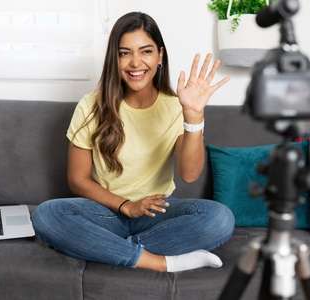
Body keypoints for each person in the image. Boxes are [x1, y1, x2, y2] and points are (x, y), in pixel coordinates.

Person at [31, 11, 235, 273]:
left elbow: (190, 173)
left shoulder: (175, 106)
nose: (135, 62)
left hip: (156, 212)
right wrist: (126, 206)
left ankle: (108, 249)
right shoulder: (91, 105)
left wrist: (193, 115)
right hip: (105, 212)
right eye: (124, 52)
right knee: (46, 215)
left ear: (160, 56)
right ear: (114, 60)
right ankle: (159, 262)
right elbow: (77, 179)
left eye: (146, 51)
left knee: (220, 219)